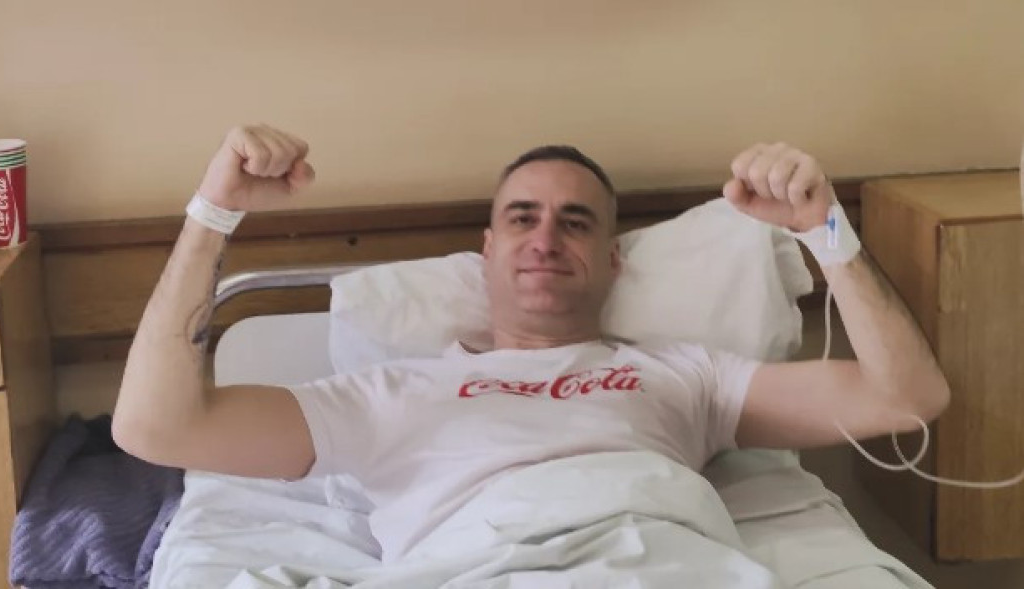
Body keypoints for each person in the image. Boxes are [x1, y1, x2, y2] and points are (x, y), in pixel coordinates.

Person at [113, 125, 950, 567]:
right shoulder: (385, 393)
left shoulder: (686, 375)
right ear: (487, 252)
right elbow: (156, 427)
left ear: (614, 261)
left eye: (575, 222)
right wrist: (214, 213)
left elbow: (906, 397)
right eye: (523, 218)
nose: (546, 238)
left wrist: (824, 230)